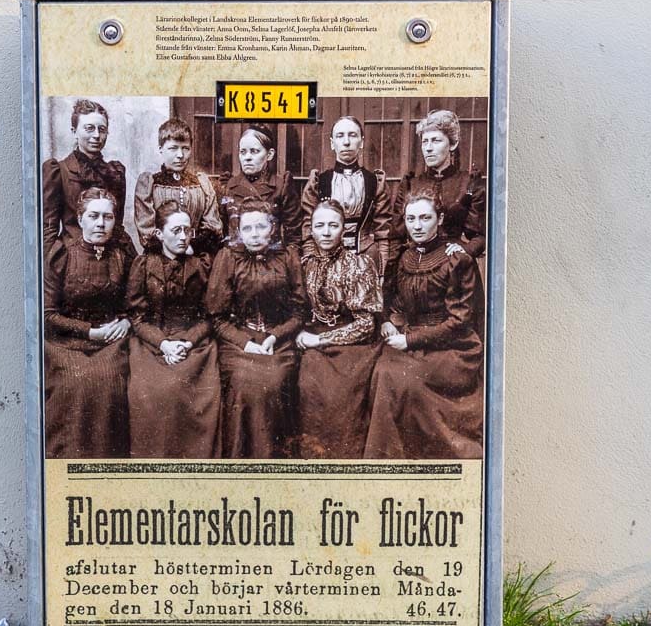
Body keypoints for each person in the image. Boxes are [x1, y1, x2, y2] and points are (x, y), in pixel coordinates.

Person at [364, 188, 485, 459]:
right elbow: (388, 298)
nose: (417, 226)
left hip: (453, 348)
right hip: (410, 336)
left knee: (405, 381)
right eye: (410, 219)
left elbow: (460, 323)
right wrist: (386, 321)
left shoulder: (456, 259)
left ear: (439, 219)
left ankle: (421, 456)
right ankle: (386, 462)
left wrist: (410, 340)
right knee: (381, 370)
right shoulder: (403, 258)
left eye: (425, 218)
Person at [206, 200, 307, 458]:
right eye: (247, 228)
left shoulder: (287, 257)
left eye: (260, 227)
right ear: (238, 231)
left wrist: (275, 335)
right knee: (243, 382)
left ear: (272, 229)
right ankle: (240, 460)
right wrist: (244, 342)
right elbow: (216, 317)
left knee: (274, 382)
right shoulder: (227, 258)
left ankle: (275, 462)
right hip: (238, 343)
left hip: (279, 340)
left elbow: (298, 312)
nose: (254, 234)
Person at [125, 203, 220, 458]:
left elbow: (209, 317)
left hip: (195, 343)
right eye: (175, 230)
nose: (182, 237)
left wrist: (187, 343)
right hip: (152, 342)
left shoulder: (201, 266)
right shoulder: (143, 265)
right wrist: (164, 344)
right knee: (155, 391)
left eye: (187, 231)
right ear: (159, 233)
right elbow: (137, 317)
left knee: (195, 393)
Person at [44, 188, 131, 458]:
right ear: (80, 219)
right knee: (75, 382)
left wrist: (127, 322)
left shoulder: (122, 255)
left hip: (111, 341)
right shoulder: (63, 254)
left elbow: (136, 302)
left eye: (108, 217)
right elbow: (47, 314)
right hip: (66, 341)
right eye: (93, 216)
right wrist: (89, 332)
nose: (101, 223)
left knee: (108, 381)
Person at [295, 200, 383, 458]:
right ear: (310, 230)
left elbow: (366, 324)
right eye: (319, 225)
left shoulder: (360, 264)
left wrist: (321, 339)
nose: (326, 232)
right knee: (307, 378)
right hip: (312, 336)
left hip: (353, 344)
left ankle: (345, 457)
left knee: (340, 391)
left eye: (333, 225)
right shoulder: (305, 263)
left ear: (344, 229)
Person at [300, 116, 394, 276]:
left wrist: (381, 271)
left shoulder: (374, 181)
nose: (346, 142)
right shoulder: (319, 182)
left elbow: (383, 232)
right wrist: (311, 264)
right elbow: (308, 230)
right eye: (340, 136)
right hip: (325, 261)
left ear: (361, 142)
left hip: (366, 260)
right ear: (332, 143)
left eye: (352, 135)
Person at [42, 99, 127, 251]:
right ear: (74, 131)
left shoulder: (115, 173)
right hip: (72, 257)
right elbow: (48, 229)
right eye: (89, 128)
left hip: (112, 256)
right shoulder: (58, 171)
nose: (96, 135)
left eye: (102, 129)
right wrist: (56, 261)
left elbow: (117, 224)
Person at [134, 118, 223, 256]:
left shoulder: (201, 183)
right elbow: (147, 231)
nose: (180, 155)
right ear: (161, 150)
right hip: (160, 257)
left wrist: (190, 246)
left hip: (197, 256)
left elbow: (213, 227)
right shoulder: (150, 184)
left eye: (185, 148)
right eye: (173, 148)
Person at [406, 109, 487, 257]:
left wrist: (466, 250)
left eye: (436, 140)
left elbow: (480, 236)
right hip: (417, 265)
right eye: (425, 141)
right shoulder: (412, 184)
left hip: (454, 263)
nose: (429, 148)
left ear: (453, 144)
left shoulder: (469, 183)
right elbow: (396, 238)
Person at [219, 125, 300, 248]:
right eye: (243, 152)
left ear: (269, 154)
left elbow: (294, 236)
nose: (247, 157)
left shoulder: (281, 186)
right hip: (237, 262)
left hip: (272, 262)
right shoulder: (228, 186)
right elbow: (221, 233)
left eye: (254, 151)